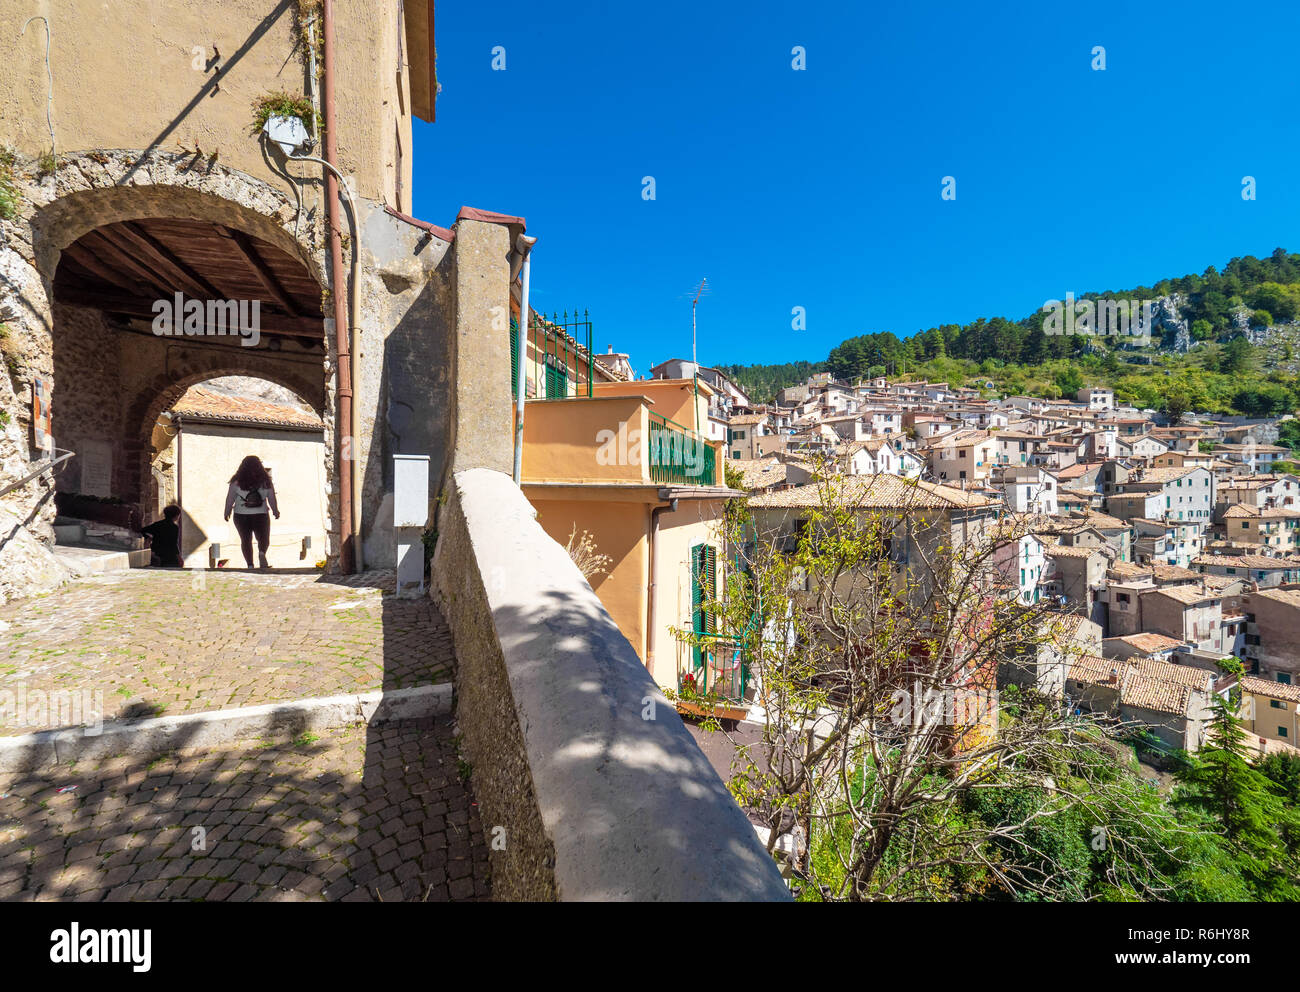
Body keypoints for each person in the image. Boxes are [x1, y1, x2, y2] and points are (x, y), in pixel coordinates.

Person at [223, 455, 280, 569]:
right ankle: (262, 552)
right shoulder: (266, 481)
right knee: (263, 538)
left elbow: (230, 498)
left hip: (241, 515)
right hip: (261, 514)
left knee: (245, 540)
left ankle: (250, 565)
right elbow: (272, 498)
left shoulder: (236, 482)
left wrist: (227, 511)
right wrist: (275, 511)